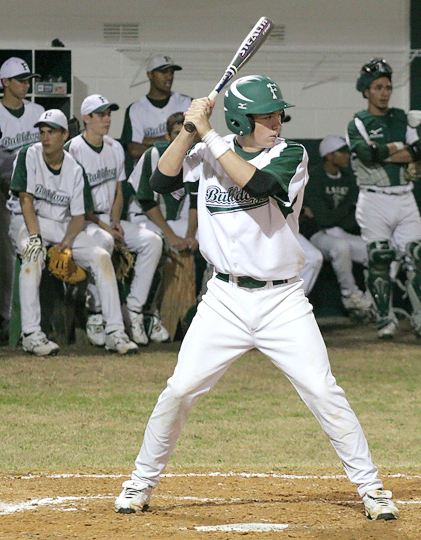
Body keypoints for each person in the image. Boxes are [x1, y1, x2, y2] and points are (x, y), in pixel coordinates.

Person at [114, 75, 400, 521]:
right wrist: (191, 128)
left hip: (281, 302)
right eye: (267, 116)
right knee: (179, 391)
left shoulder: (290, 153)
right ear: (242, 119)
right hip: (223, 298)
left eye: (278, 114)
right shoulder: (209, 146)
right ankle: (139, 483)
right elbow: (159, 183)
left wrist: (208, 135)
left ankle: (372, 488)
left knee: (323, 391)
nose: (277, 122)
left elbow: (262, 187)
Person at [9, 109, 137, 356]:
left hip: (61, 225)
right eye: (42, 132)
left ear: (64, 135)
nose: (45, 137)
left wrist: (66, 244)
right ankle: (31, 334)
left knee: (100, 255)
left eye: (52, 132)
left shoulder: (74, 168)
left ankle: (114, 332)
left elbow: (78, 216)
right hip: (26, 221)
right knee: (32, 255)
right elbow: (25, 200)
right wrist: (35, 238)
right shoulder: (29, 154)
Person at [348, 58, 421, 343]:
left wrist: (385, 151)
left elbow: (420, 151)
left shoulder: (403, 117)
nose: (384, 92)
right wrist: (401, 149)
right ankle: (384, 320)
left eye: (388, 87)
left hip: (404, 197)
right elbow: (366, 155)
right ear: (366, 90)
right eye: (378, 87)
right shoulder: (358, 121)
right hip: (374, 199)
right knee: (379, 256)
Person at [65, 94, 163, 346]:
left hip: (110, 218)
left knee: (152, 241)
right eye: (100, 114)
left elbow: (119, 189)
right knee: (105, 243)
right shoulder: (74, 148)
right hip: (83, 221)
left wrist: (116, 220)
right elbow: (75, 200)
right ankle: (95, 312)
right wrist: (107, 227)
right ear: (86, 118)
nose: (107, 119)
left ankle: (134, 309)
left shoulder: (114, 147)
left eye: (109, 114)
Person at [128, 111, 196, 342]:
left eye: (188, 133)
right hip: (143, 217)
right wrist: (171, 235)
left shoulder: (195, 157)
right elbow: (145, 200)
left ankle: (202, 314)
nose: (183, 138)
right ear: (168, 136)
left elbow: (195, 203)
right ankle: (148, 312)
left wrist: (190, 236)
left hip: (176, 221)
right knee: (157, 242)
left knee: (214, 243)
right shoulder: (155, 153)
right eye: (178, 133)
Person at [0, 57, 45, 334]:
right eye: (20, 80)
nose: (26, 85)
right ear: (5, 83)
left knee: (32, 250)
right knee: (3, 255)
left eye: (28, 80)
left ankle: (30, 316)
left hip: (36, 196)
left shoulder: (37, 111)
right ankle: (6, 314)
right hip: (2, 191)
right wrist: (0, 184)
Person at [306, 135, 374, 318]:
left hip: (343, 231)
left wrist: (339, 215)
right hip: (318, 234)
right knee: (340, 247)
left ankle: (371, 301)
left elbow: (352, 218)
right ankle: (350, 295)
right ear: (329, 155)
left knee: (379, 251)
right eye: (342, 152)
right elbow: (323, 219)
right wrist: (348, 207)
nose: (347, 156)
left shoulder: (348, 177)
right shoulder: (314, 176)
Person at [120, 54, 192, 162]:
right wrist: (172, 140)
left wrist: (148, 141)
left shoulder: (187, 103)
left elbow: (197, 139)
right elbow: (134, 150)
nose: (169, 76)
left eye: (171, 72)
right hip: (148, 173)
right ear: (150, 75)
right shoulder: (135, 109)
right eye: (163, 72)